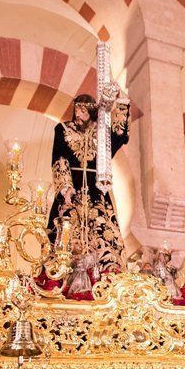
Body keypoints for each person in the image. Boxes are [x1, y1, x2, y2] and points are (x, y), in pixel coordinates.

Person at [49, 93, 130, 276]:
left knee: (104, 233)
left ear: (92, 111)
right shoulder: (62, 129)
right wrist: (65, 187)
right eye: (77, 109)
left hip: (96, 190)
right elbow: (59, 158)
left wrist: (122, 102)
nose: (79, 114)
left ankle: (107, 275)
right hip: (72, 189)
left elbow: (119, 135)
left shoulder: (101, 133)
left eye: (84, 110)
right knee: (65, 232)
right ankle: (61, 274)